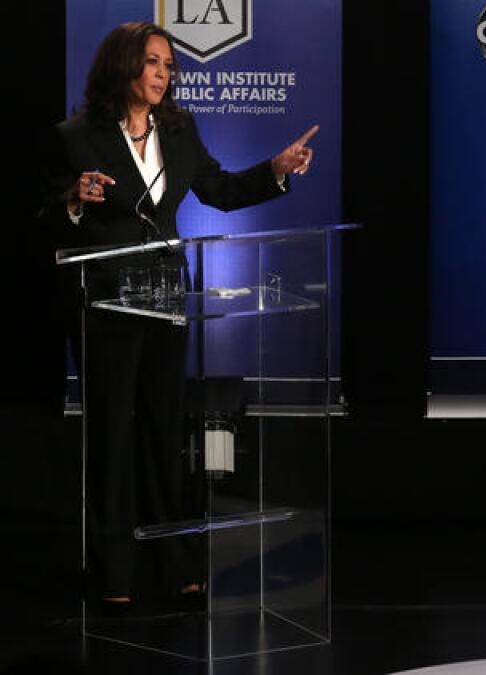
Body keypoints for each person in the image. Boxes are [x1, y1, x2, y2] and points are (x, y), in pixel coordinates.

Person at [39, 21, 318, 608]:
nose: (164, 74)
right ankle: (114, 573)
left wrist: (276, 169)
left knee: (165, 432)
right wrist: (71, 201)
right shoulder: (76, 135)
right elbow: (43, 216)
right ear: (124, 67)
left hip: (167, 298)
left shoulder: (181, 131)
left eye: (169, 65)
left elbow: (219, 189)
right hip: (104, 304)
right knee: (113, 434)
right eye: (152, 62)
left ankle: (174, 563)